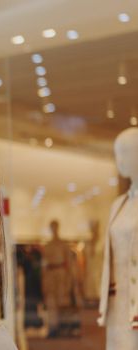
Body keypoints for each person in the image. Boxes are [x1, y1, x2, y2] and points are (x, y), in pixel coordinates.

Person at [98, 127, 138, 350]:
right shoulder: (118, 205)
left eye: (126, 152)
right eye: (117, 153)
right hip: (117, 305)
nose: (119, 159)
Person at [41, 220, 70, 337]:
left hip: (61, 275)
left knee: (62, 302)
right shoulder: (47, 246)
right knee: (51, 303)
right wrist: (44, 280)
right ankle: (53, 327)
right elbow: (44, 265)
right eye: (52, 227)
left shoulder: (64, 245)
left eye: (55, 227)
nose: (54, 229)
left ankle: (63, 327)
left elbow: (69, 264)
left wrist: (70, 280)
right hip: (50, 276)